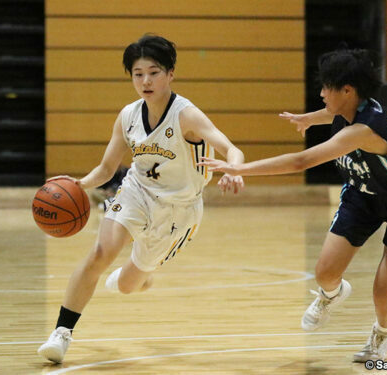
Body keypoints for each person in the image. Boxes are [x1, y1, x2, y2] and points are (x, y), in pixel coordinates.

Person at [198, 47, 387, 362]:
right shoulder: (351, 107)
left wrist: (241, 168)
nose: (321, 92)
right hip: (363, 193)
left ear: (347, 90)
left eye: (327, 87)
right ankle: (332, 294)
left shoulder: (364, 130)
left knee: (384, 295)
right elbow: (331, 113)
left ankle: (382, 333)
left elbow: (302, 160)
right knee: (324, 273)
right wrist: (308, 119)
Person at [38, 34, 244, 364]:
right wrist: (77, 184)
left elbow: (232, 148)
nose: (145, 81)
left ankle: (143, 273)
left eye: (154, 72)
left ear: (170, 74)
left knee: (126, 286)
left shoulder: (186, 115)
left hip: (178, 210)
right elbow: (107, 168)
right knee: (100, 253)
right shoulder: (128, 116)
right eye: (138, 74)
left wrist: (233, 169)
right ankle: (61, 333)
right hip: (137, 191)